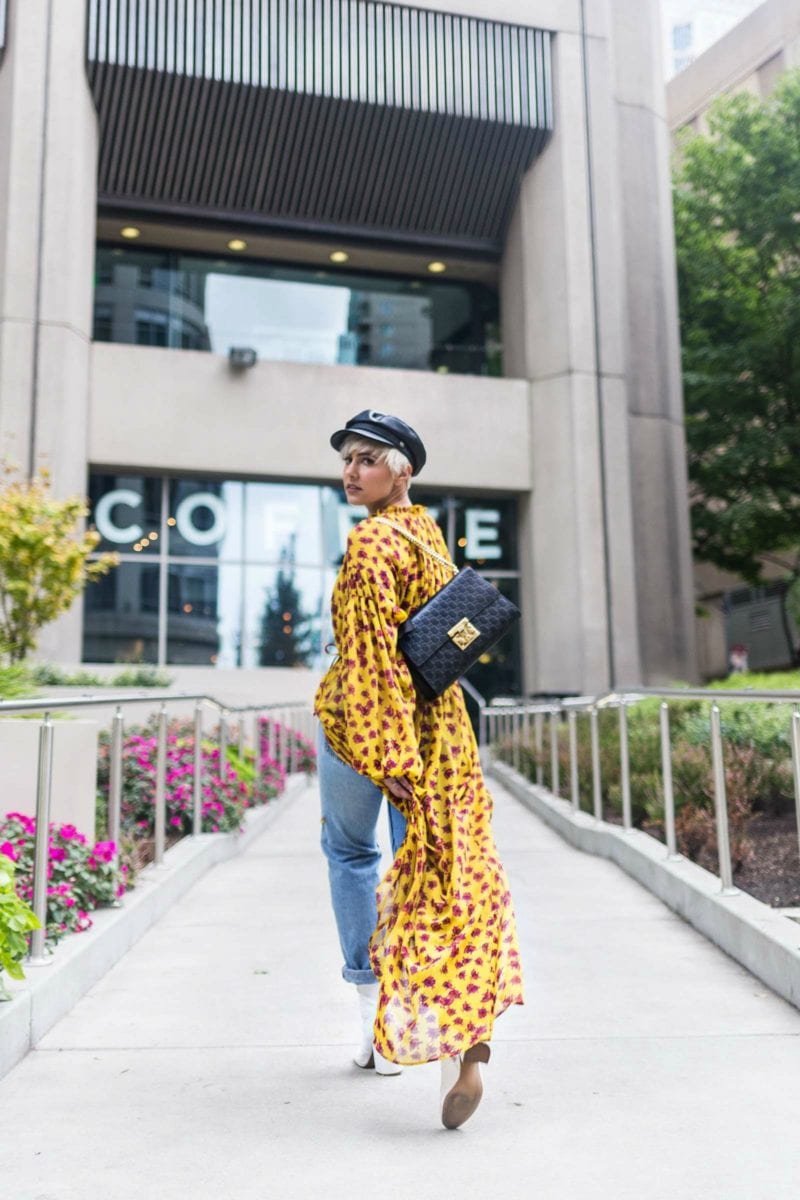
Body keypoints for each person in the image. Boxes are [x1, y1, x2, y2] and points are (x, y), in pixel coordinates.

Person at [314, 409, 524, 1130]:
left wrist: (387, 754)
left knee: (351, 851)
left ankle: (372, 1002)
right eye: (346, 460)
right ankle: (463, 1044)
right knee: (440, 869)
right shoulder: (427, 535)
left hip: (366, 729)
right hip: (441, 730)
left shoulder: (372, 541)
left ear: (402, 469)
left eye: (367, 459)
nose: (351, 472)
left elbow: (372, 655)